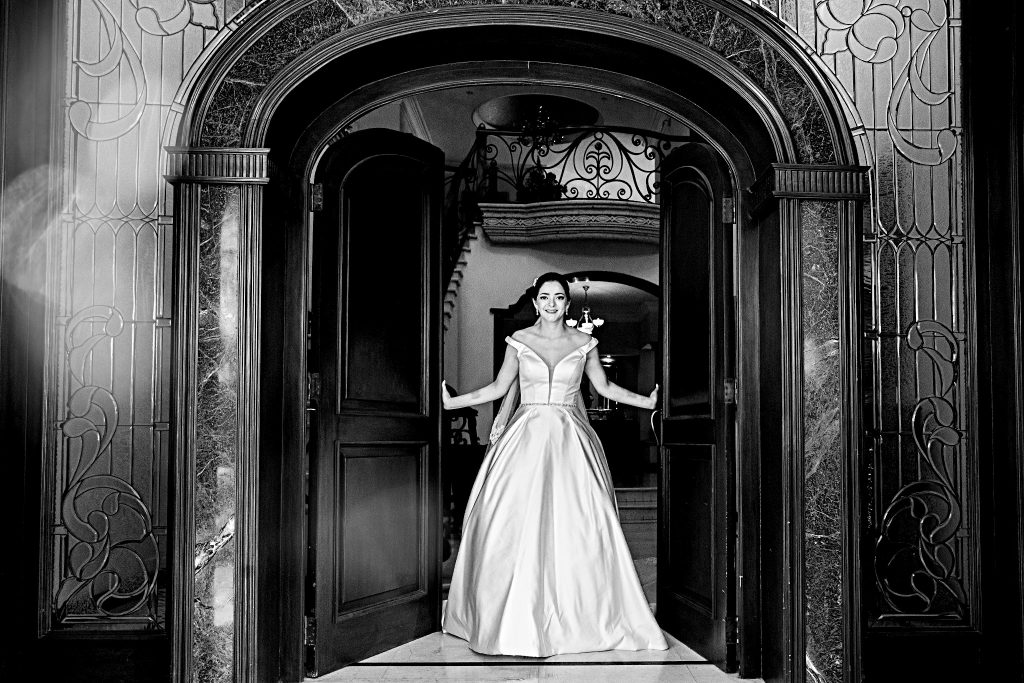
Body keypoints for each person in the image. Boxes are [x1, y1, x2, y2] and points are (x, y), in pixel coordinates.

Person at [441, 272, 668, 657]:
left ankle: (581, 616)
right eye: (544, 297)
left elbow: (605, 389)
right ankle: (508, 617)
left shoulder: (585, 343)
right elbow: (498, 389)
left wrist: (648, 402)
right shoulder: (519, 341)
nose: (550, 303)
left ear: (567, 303)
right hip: (524, 437)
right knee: (511, 520)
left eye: (558, 297)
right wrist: (452, 403)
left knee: (578, 522)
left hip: (569, 438)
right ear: (535, 303)